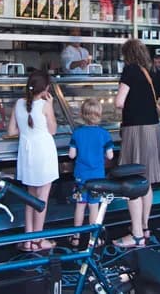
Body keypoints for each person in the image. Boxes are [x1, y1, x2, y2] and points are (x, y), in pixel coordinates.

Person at [112, 39, 160, 248]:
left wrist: (125, 107)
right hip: (152, 129)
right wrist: (152, 109)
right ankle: (144, 227)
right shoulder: (154, 72)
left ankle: (136, 234)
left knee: (133, 180)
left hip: (135, 130)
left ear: (127, 55)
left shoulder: (130, 71)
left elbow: (120, 101)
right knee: (145, 180)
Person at [7, 70, 59, 251]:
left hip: (26, 153)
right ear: (45, 88)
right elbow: (52, 130)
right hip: (43, 152)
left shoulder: (19, 103)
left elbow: (11, 132)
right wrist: (50, 105)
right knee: (41, 199)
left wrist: (27, 130)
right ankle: (39, 240)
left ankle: (28, 240)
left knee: (29, 197)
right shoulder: (44, 105)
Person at [68, 98, 114, 247]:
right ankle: (93, 239)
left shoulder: (77, 133)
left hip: (81, 176)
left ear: (82, 115)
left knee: (80, 206)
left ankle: (75, 237)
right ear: (99, 115)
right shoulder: (104, 134)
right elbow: (110, 156)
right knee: (94, 207)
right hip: (97, 178)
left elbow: (72, 155)